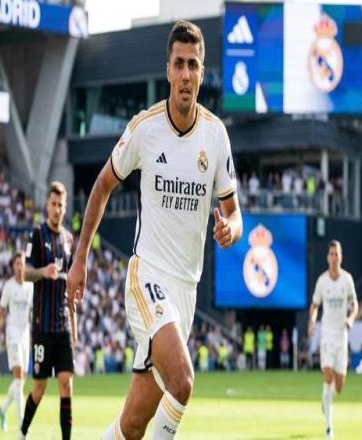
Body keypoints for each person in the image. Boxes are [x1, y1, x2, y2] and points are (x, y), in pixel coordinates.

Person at [67, 20, 243, 440]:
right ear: (167, 70)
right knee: (182, 380)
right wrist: (80, 259)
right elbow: (102, 185)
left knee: (132, 425)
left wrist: (231, 231)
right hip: (147, 276)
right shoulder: (145, 128)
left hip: (185, 291)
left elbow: (234, 213)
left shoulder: (216, 136)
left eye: (193, 65)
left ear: (202, 73)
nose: (185, 74)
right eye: (178, 64)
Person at [19, 181, 76, 440]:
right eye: (53, 204)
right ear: (47, 206)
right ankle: (22, 432)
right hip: (42, 327)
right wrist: (44, 271)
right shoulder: (37, 234)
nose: (56, 209)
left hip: (62, 327)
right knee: (39, 388)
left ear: (65, 207)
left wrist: (74, 327)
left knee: (66, 384)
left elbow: (71, 287)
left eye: (60, 205)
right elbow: (25, 272)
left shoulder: (69, 240)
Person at [309, 240, 359, 439]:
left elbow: (355, 305)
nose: (334, 257)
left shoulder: (347, 280)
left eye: (337, 254)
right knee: (327, 375)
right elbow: (315, 305)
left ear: (341, 257)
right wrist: (312, 322)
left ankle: (326, 398)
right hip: (327, 335)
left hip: (341, 336)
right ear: (327, 257)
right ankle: (329, 428)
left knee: (338, 386)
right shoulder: (322, 281)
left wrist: (351, 318)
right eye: (331, 254)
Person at [0, 250, 33, 432]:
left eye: (21, 263)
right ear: (13, 266)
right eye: (16, 264)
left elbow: (33, 313)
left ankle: (2, 409)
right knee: (18, 380)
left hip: (25, 335)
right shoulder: (8, 286)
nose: (19, 266)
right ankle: (22, 426)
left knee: (20, 382)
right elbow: (1, 311)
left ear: (25, 265)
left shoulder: (30, 287)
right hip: (12, 334)